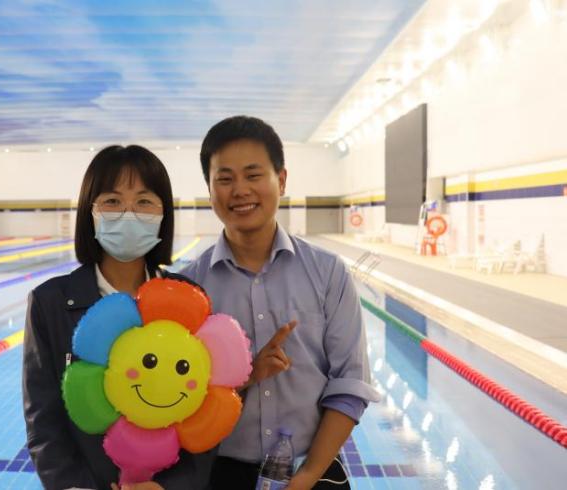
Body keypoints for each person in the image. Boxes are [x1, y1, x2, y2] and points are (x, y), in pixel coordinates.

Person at [181, 116, 381, 490]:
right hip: (221, 474)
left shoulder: (327, 272)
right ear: (210, 190)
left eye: (253, 175)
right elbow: (182, 395)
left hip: (316, 469)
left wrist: (307, 476)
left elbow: (350, 383)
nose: (240, 190)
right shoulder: (191, 287)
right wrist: (246, 377)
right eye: (225, 179)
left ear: (282, 180)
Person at [23, 145, 213, 490]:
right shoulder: (50, 303)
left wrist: (169, 486)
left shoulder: (189, 300)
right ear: (90, 211)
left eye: (144, 201)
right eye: (112, 201)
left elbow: (205, 411)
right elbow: (43, 422)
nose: (128, 214)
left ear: (163, 213)